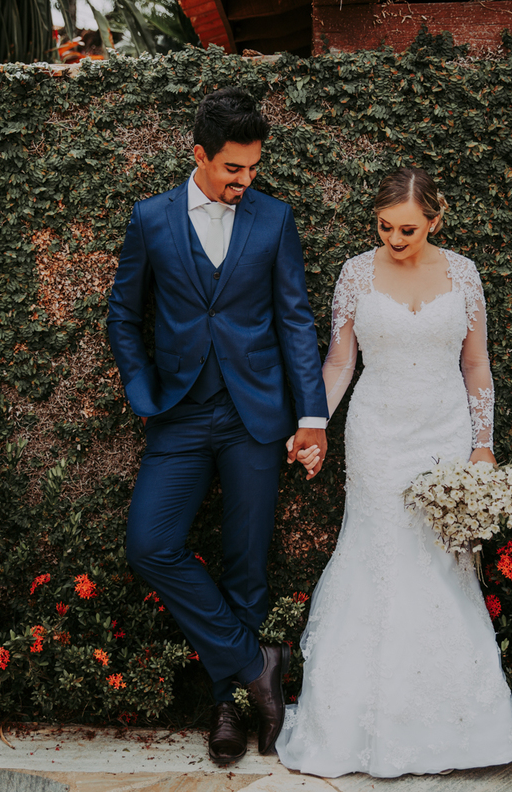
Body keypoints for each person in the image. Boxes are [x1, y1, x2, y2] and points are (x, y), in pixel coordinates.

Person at [274, 168, 512, 778]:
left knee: (440, 565)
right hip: (377, 434)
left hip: (443, 434)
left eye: (408, 229)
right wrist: (314, 425)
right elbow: (338, 361)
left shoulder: (463, 274)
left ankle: (446, 725)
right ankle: (353, 723)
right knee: (377, 556)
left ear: (435, 221)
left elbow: (477, 366)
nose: (394, 238)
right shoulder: (356, 274)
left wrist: (482, 446)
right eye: (385, 227)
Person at [105, 88, 329, 765]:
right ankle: (257, 664)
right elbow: (124, 315)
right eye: (234, 168)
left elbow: (294, 318)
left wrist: (312, 415)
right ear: (198, 154)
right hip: (178, 413)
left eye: (254, 167)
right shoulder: (151, 219)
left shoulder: (274, 219)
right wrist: (143, 389)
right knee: (150, 544)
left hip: (254, 414)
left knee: (245, 565)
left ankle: (228, 709)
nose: (245, 180)